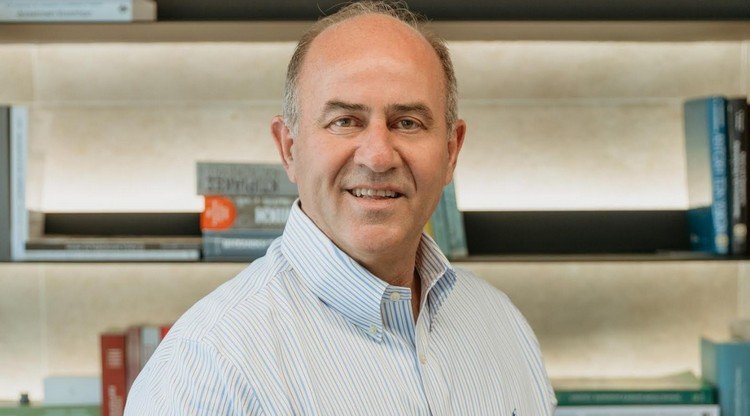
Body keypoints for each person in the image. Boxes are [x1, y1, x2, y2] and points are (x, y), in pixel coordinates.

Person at [125, 2, 556, 415]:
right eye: (344, 121)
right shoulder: (206, 368)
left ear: (451, 151)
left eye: (407, 122)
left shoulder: (503, 325)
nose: (378, 156)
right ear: (289, 148)